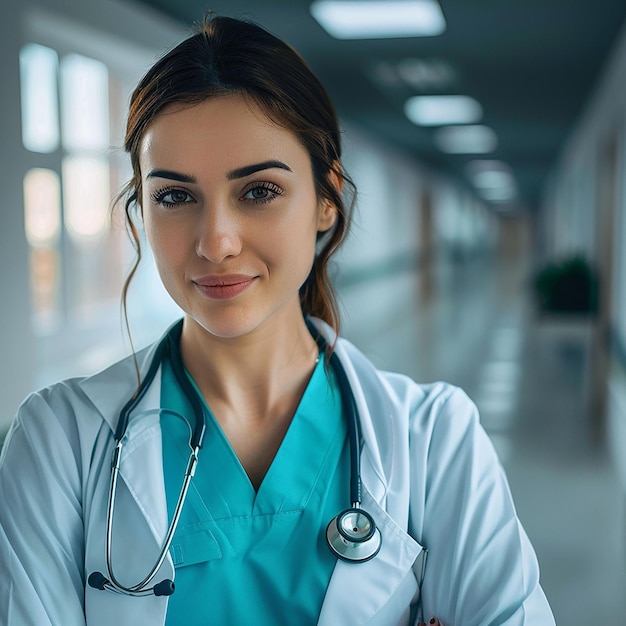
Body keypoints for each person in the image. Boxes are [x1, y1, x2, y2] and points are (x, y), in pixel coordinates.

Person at [0, 14, 555, 626]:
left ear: (326, 198)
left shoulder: (435, 442)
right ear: (141, 210)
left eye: (258, 190)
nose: (216, 242)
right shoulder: (59, 442)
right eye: (175, 196)